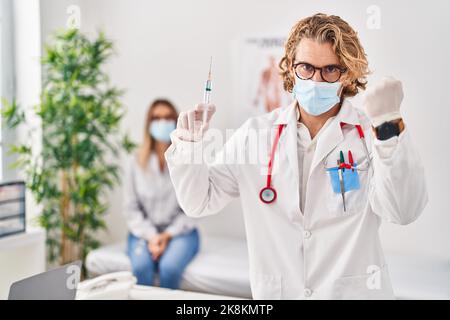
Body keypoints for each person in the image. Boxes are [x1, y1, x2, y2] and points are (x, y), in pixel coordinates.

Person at [164, 13, 428, 299]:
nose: (316, 79)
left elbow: (403, 211)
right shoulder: (256, 134)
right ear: (290, 67)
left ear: (347, 73)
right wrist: (189, 145)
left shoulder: (370, 132)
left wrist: (389, 125)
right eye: (306, 67)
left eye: (329, 70)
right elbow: (198, 202)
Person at [124, 99, 199, 289]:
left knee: (170, 268)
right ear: (148, 123)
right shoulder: (135, 162)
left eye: (167, 117)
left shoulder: (187, 160)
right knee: (140, 268)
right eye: (156, 118)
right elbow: (131, 208)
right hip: (143, 232)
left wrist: (166, 236)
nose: (162, 122)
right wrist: (152, 236)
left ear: (176, 121)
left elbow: (193, 207)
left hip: (180, 232)